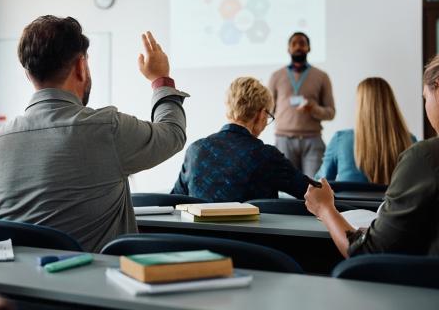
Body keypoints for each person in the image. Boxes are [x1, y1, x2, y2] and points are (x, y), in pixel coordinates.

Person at [0, 15, 189, 252]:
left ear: (28, 74)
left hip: (11, 286)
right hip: (96, 286)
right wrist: (160, 79)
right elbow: (172, 133)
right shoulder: (106, 129)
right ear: (81, 66)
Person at [305, 45, 439, 257]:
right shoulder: (410, 141)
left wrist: (325, 209)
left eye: (425, 97)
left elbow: (368, 251)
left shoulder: (426, 156)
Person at [172, 77, 308, 202]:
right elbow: (311, 193)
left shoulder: (196, 150)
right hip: (251, 229)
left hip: (200, 229)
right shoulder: (266, 156)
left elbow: (174, 199)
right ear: (261, 114)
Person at [315, 77, 416, 184]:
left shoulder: (340, 140)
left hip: (349, 201)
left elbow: (319, 183)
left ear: (361, 105)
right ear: (391, 104)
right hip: (393, 201)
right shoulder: (410, 141)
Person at [268, 32, 335, 177]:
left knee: (313, 188)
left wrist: (314, 109)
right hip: (284, 140)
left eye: (302, 43)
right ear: (288, 49)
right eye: (294, 44)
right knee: (285, 191)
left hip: (312, 141)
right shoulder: (276, 76)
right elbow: (268, 110)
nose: (298, 46)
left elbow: (331, 112)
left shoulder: (322, 76)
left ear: (309, 48)